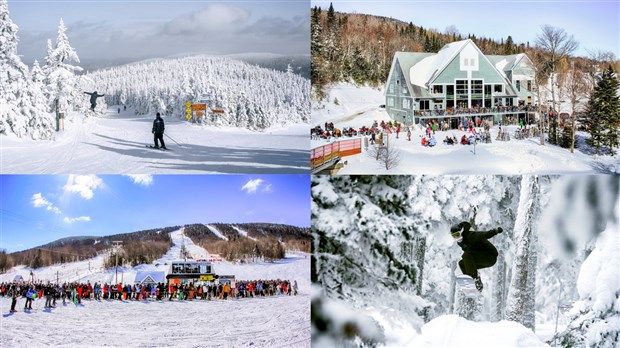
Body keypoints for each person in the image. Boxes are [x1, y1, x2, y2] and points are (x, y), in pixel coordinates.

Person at [450, 221, 502, 291]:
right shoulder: (460, 242)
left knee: (466, 255)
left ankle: (475, 280)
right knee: (462, 263)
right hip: (481, 257)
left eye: (457, 235)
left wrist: (495, 231)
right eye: (454, 236)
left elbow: (484, 235)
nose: (457, 238)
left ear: (461, 232)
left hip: (490, 256)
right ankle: (472, 284)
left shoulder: (470, 236)